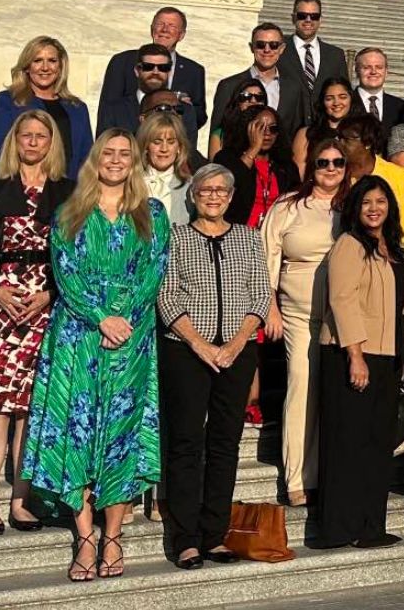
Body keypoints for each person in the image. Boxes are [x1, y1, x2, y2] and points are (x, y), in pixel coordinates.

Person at [20, 130, 169, 581]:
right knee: (78, 434)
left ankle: (113, 536)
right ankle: (85, 538)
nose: (117, 160)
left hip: (132, 338)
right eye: (109, 153)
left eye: (125, 154)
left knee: (121, 436)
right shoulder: (70, 212)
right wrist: (101, 317)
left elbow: (154, 271)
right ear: (95, 159)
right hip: (79, 335)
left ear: (135, 161)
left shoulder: (153, 213)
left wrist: (121, 318)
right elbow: (65, 276)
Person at [0, 110, 72, 536]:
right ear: (15, 141)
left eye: (41, 135)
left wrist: (50, 294)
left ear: (52, 142)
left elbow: (77, 250)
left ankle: (21, 498)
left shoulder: (68, 191)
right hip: (0, 306)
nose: (33, 141)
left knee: (31, 409)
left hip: (46, 302)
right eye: (25, 134)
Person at [156, 163, 268, 567]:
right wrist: (200, 344)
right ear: (193, 196)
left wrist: (237, 343)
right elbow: (166, 296)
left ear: (232, 196)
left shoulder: (249, 239)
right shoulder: (177, 238)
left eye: (221, 190)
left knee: (225, 443)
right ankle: (185, 537)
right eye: (206, 191)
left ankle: (215, 534)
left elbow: (259, 295)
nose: (214, 196)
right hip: (186, 350)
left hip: (236, 353)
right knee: (186, 443)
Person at [315, 175, 404, 550]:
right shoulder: (349, 245)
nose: (374, 209)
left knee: (376, 445)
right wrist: (355, 355)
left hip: (387, 355)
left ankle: (370, 525)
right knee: (347, 444)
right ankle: (338, 528)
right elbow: (342, 299)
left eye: (381, 201)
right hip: (350, 354)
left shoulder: (392, 248)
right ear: (355, 209)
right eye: (366, 202)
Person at [261, 136, 347, 506]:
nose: (330, 169)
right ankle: (297, 476)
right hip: (297, 312)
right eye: (322, 163)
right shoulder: (289, 206)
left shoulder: (353, 204)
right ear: (311, 167)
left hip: (344, 316)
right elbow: (268, 258)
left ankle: (331, 473)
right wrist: (270, 308)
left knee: (337, 393)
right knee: (301, 384)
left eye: (337, 163)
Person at [0, 35, 93, 172]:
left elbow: (87, 157)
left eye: (52, 61)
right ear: (27, 67)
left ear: (60, 66)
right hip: (16, 186)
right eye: (37, 61)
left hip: (66, 188)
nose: (45, 67)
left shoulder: (77, 108)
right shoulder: (8, 101)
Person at [96, 7, 207, 134]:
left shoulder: (193, 71)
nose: (164, 29)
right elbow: (107, 110)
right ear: (151, 29)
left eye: (172, 26)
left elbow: (199, 116)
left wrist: (183, 109)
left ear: (181, 35)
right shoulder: (122, 61)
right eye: (160, 24)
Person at [338, 114, 404, 256]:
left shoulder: (398, 175)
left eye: (347, 139)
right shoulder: (335, 174)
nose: (340, 143)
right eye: (339, 138)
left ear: (367, 142)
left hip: (389, 257)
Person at [212, 23, 304, 141]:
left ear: (282, 49)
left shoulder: (293, 88)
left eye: (273, 45)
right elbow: (217, 133)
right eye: (260, 45)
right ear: (251, 47)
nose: (267, 50)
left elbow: (296, 132)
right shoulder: (229, 86)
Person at [97, 41, 201, 139]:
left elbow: (189, 153)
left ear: (169, 72)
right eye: (148, 67)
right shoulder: (113, 111)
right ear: (137, 71)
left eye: (163, 67)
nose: (155, 72)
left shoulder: (185, 111)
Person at [218, 105, 299, 230]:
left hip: (273, 239)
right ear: (248, 127)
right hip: (237, 237)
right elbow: (229, 185)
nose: (266, 133)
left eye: (273, 128)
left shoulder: (286, 166)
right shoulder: (227, 158)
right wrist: (254, 148)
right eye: (260, 127)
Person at [280, 0, 349, 119]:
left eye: (314, 16)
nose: (308, 20)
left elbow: (344, 93)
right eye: (302, 15)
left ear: (320, 20)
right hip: (287, 128)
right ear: (293, 18)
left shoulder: (335, 55)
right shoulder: (279, 50)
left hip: (323, 129)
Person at [137, 110, 193, 227]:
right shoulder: (131, 184)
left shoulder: (191, 186)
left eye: (171, 142)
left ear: (179, 147)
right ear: (146, 146)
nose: (164, 149)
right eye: (157, 142)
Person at [293, 77, 355, 172]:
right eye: (329, 98)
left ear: (351, 99)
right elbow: (298, 174)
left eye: (342, 97)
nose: (336, 103)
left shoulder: (360, 132)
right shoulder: (306, 135)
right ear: (322, 102)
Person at [209, 79, 269, 157]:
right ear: (238, 101)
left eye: (259, 97)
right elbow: (215, 168)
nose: (253, 101)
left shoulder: (271, 132)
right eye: (246, 96)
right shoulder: (220, 135)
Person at [351, 47, 404, 131]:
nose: (373, 72)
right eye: (366, 67)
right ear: (357, 71)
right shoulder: (345, 104)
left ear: (386, 72)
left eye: (379, 67)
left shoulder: (401, 107)